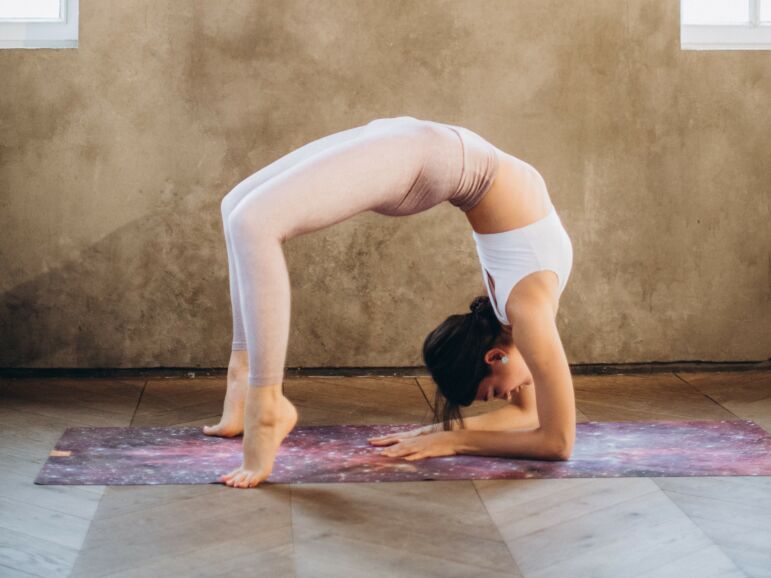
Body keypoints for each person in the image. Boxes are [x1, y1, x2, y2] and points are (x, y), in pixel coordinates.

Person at [205, 116, 575, 488]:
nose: (508, 396)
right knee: (243, 215)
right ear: (494, 357)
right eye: (497, 392)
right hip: (427, 154)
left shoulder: (508, 319)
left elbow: (526, 416)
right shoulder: (529, 314)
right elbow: (557, 442)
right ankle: (263, 401)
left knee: (245, 216)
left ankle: (245, 380)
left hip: (422, 142)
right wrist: (454, 440)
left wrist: (438, 432)